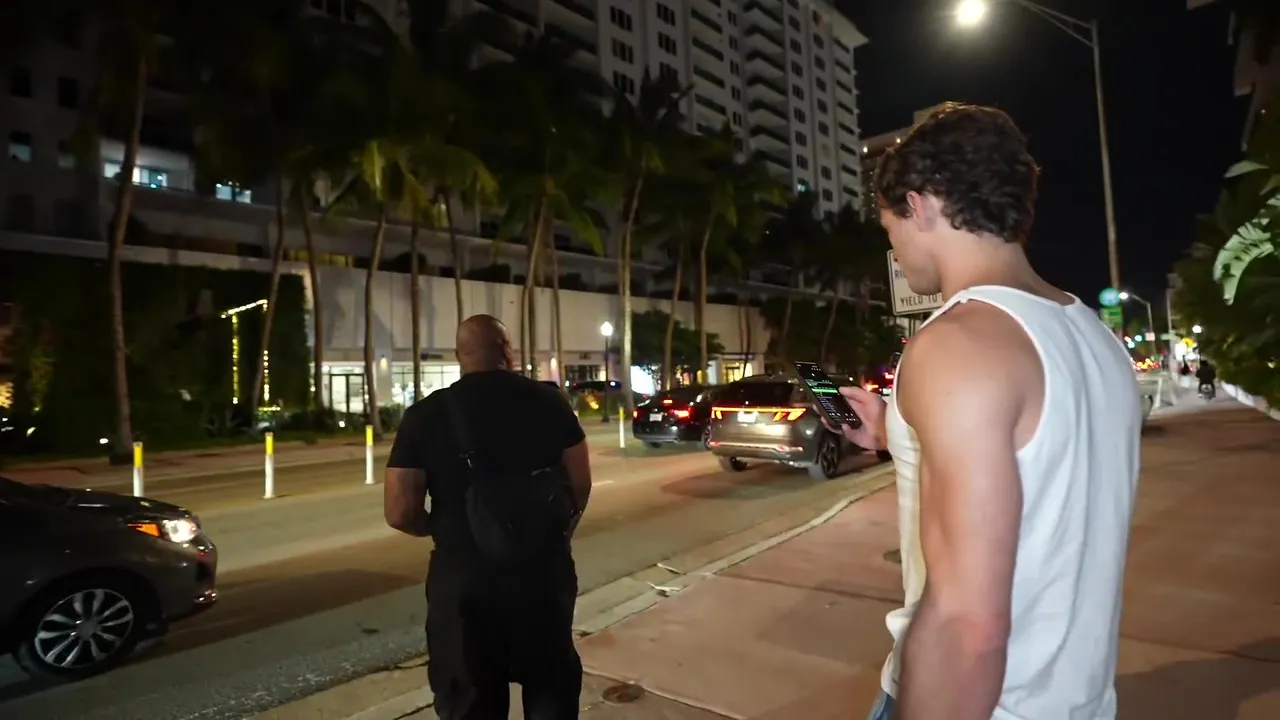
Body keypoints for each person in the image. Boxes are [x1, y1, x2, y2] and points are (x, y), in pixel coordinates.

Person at [831, 103, 1142, 720]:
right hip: (1081, 701)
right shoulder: (1096, 338)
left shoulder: (957, 344)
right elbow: (1043, 461)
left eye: (891, 230)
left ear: (920, 206)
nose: (896, 252)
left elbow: (966, 624)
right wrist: (896, 432)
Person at [384, 314, 593, 720]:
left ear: (459, 355)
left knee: (470, 699)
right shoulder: (549, 402)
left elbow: (399, 511)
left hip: (464, 581)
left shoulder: (426, 415)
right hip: (542, 576)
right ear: (507, 352)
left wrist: (444, 529)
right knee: (549, 686)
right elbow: (579, 483)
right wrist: (561, 532)